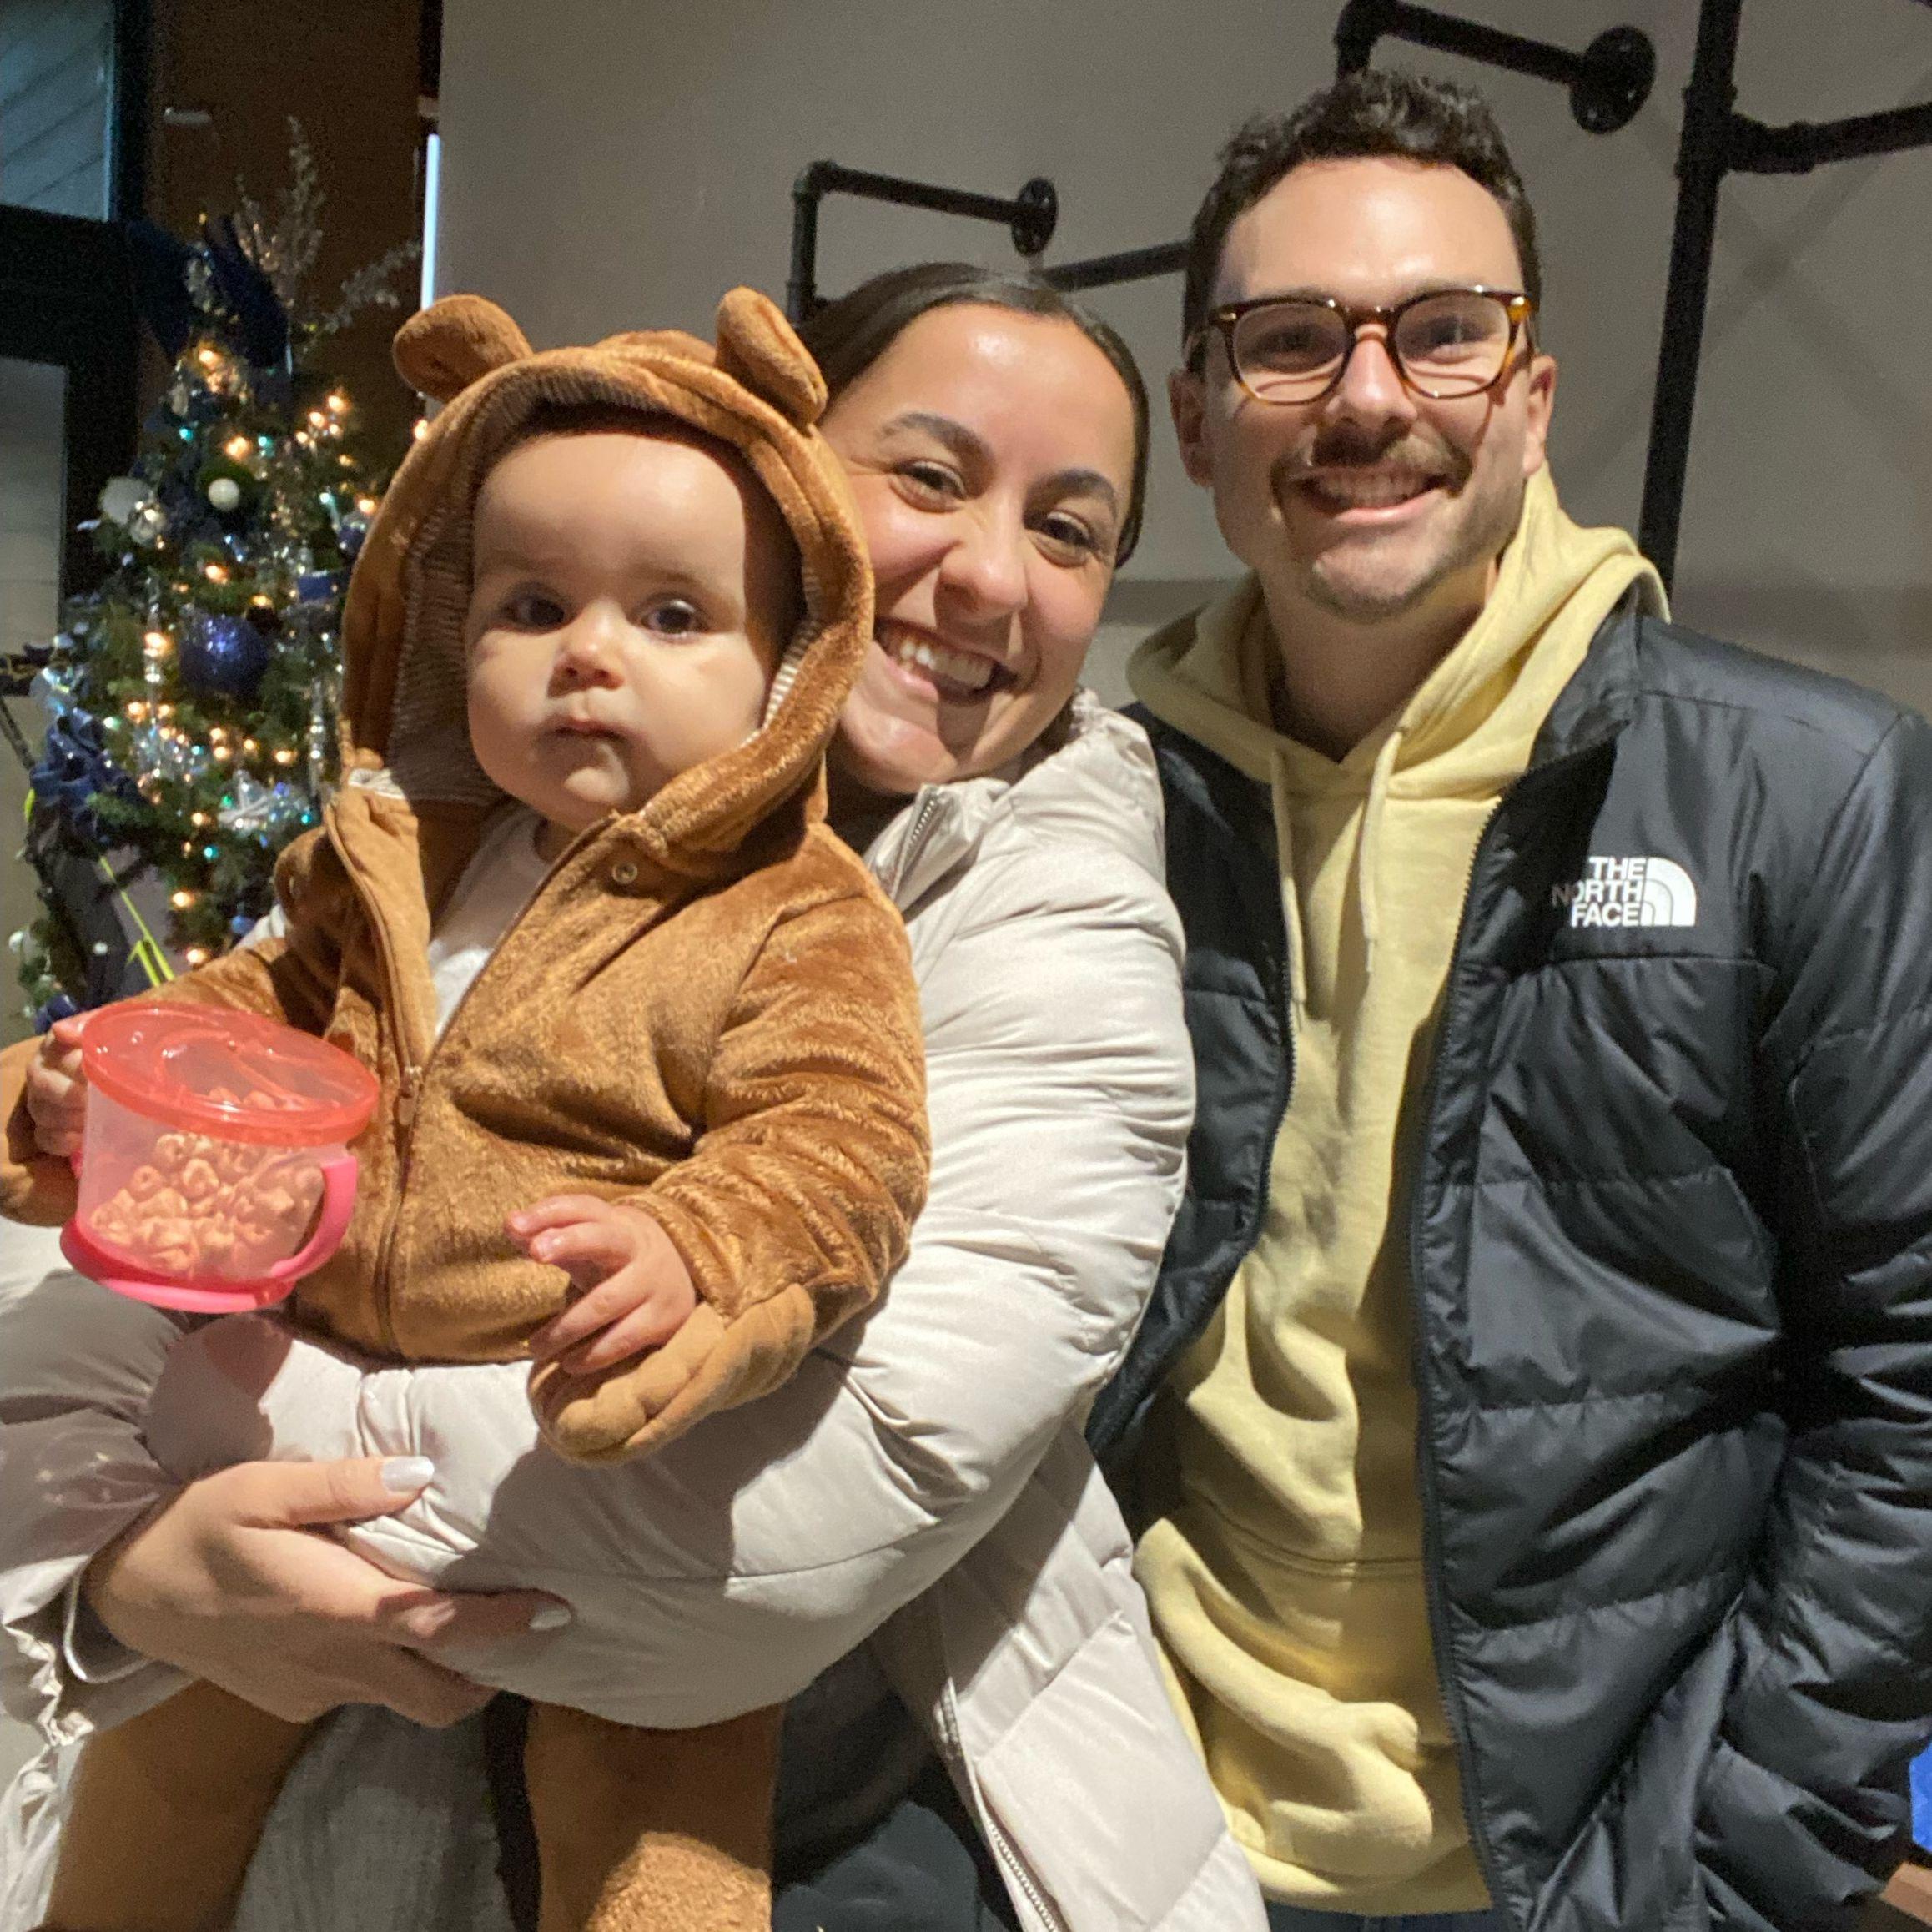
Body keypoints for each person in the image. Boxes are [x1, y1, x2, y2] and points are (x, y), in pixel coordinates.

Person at [0, 265, 1266, 1932]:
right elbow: (224, 1067)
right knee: (154, 1800)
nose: (984, 571)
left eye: (1069, 529)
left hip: (829, 1790)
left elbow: (835, 1330)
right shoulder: (420, 845)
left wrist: (216, 1470)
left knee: (654, 1845)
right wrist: (98, 1120)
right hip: (338, 1821)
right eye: (930, 475)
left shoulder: (962, 915)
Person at [1089, 68, 1932, 1932]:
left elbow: (1911, 1376)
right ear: (1198, 418)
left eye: (1445, 332)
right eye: (1290, 340)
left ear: (1532, 400)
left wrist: (1731, 1848)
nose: (1369, 397)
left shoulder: (1807, 794)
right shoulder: (1103, 812)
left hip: (1599, 1870)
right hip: (1130, 1826)